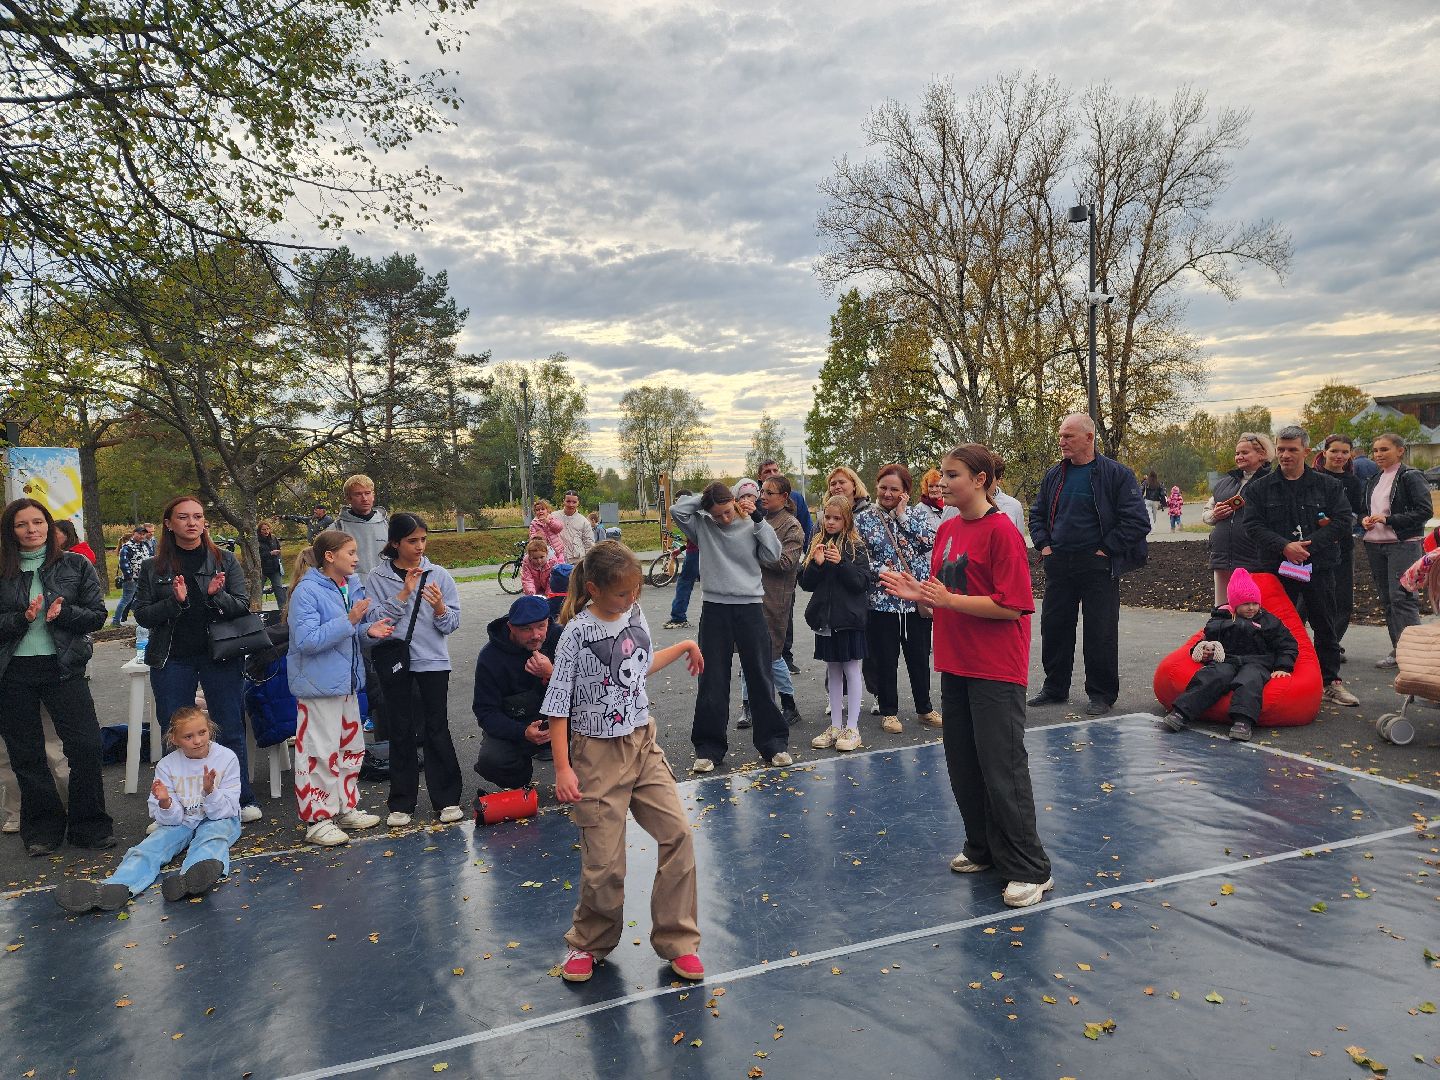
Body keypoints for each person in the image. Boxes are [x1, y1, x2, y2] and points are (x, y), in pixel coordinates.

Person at [879, 444, 1053, 909]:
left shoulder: (1003, 533)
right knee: (963, 764)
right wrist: (920, 593)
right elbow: (944, 594)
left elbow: (1011, 605)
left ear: (979, 479)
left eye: (952, 475)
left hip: (995, 668)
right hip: (955, 661)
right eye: (941, 475)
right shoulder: (948, 530)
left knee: (1002, 767)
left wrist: (949, 601)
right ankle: (983, 847)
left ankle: (1030, 868)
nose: (941, 482)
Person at [544, 541, 705, 984]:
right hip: (596, 755)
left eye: (636, 591)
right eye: (622, 593)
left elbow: (636, 665)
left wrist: (685, 644)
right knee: (605, 863)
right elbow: (558, 705)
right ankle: (589, 942)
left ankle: (678, 939)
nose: (632, 599)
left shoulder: (634, 614)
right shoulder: (576, 633)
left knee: (678, 835)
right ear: (593, 589)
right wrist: (563, 768)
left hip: (642, 744)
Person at [135, 495, 263, 823]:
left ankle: (239, 799)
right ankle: (173, 807)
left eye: (198, 516)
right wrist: (175, 603)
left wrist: (215, 596)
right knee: (174, 731)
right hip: (172, 658)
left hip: (219, 656)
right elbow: (143, 615)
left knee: (229, 726)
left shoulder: (224, 560)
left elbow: (242, 605)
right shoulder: (153, 567)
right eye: (183, 517)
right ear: (168, 523)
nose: (192, 523)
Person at [0, 498, 113, 857]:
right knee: (27, 755)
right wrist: (23, 618)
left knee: (86, 746)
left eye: (38, 522)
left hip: (63, 667)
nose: (32, 530)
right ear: (10, 530)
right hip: (13, 671)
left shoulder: (76, 564)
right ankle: (43, 830)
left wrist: (61, 614)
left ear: (50, 526)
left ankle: (90, 827)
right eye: (22, 524)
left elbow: (97, 616)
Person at [54, 706, 241, 913]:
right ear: (175, 739)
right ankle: (116, 886)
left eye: (202, 733)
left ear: (210, 730)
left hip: (219, 817)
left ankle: (193, 877)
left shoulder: (226, 758)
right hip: (182, 819)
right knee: (150, 846)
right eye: (188, 736)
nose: (197, 741)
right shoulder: (167, 765)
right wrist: (166, 803)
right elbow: (171, 820)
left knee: (212, 838)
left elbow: (227, 810)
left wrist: (210, 792)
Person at [1027, 413, 1150, 715]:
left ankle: (1101, 694)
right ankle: (1055, 688)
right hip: (1058, 564)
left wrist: (1106, 549)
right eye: (1060, 435)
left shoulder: (1117, 474)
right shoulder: (1055, 474)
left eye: (1068, 436)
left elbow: (1137, 521)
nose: (1061, 441)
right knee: (1054, 628)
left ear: (1089, 437)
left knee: (1100, 631)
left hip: (1097, 566)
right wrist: (1043, 545)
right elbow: (1037, 513)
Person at [671, 482, 791, 773]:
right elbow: (677, 510)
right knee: (711, 679)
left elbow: (774, 555)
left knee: (760, 676)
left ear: (735, 503)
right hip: (714, 608)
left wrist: (759, 520)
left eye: (726, 512)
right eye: (717, 514)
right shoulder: (703, 524)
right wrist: (707, 499)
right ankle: (709, 748)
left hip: (750, 607)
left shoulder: (752, 524)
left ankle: (773, 743)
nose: (723, 519)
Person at [288, 529, 394, 845]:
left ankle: (345, 807)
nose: (357, 558)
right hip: (318, 688)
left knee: (350, 749)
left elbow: (350, 633)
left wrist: (367, 631)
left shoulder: (346, 586)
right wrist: (349, 621)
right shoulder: (306, 592)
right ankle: (317, 819)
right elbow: (306, 641)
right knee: (319, 752)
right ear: (330, 557)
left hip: (347, 684)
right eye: (350, 552)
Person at [1241, 425, 1358, 707]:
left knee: (1325, 624)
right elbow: (1252, 525)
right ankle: (1272, 675)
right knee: (1272, 624)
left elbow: (1343, 521)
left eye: (1292, 449)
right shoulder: (1260, 488)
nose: (1285, 455)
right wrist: (1284, 546)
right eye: (1281, 449)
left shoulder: (1328, 486)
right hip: (1276, 567)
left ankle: (1330, 682)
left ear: (1306, 451)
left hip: (1318, 567)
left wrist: (1309, 545)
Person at [364, 513, 463, 826]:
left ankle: (447, 799)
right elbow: (375, 622)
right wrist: (403, 594)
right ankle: (402, 803)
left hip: (433, 662)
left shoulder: (439, 575)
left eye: (423, 539)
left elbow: (451, 624)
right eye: (412, 540)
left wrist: (440, 608)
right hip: (395, 663)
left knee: (437, 728)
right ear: (395, 543)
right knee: (400, 730)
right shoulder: (376, 578)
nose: (420, 546)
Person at [1160, 568, 1298, 742]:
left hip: (1257, 662)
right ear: (1234, 604)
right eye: (1246, 604)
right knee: (1212, 676)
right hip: (1227, 659)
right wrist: (1203, 651)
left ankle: (1243, 721)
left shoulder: (1268, 621)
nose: (1251, 608)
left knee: (1250, 680)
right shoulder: (1220, 620)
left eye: (1255, 603)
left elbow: (1287, 644)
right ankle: (1181, 712)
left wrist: (1283, 666)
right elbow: (1205, 640)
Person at [854, 464, 938, 735]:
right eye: (883, 488)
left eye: (894, 489)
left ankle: (924, 708)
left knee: (918, 657)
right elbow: (861, 556)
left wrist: (902, 517)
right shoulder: (864, 519)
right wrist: (885, 572)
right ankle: (889, 712)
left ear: (905, 493)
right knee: (885, 659)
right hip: (883, 600)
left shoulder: (915, 515)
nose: (887, 493)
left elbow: (929, 542)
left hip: (916, 601)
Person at [803, 496, 875, 753]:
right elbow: (806, 583)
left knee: (852, 670)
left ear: (847, 519)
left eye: (837, 518)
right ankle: (835, 725)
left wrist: (841, 563)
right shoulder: (816, 543)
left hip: (850, 620)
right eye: (827, 517)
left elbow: (861, 583)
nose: (831, 522)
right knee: (833, 670)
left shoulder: (856, 546)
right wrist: (818, 565)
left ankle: (852, 727)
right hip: (826, 619)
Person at [473, 595, 561, 791]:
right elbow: (485, 711)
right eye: (526, 629)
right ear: (511, 627)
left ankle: (581, 778)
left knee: (598, 731)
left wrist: (552, 674)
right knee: (492, 759)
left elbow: (588, 689)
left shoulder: (562, 638)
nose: (536, 635)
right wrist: (522, 732)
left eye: (541, 626)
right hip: (520, 726)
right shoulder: (490, 657)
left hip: (563, 721)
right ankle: (519, 782)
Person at [737, 474, 804, 728]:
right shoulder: (759, 519)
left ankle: (789, 705)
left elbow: (787, 562)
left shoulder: (791, 526)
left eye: (768, 493)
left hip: (775, 598)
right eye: (761, 491)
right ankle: (748, 706)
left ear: (784, 497)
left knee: (772, 655)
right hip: (749, 596)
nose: (761, 497)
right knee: (747, 653)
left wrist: (755, 554)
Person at [1360, 432, 1431, 669]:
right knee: (1388, 600)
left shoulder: (1411, 476)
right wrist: (1365, 521)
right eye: (1376, 450)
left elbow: (1424, 511)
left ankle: (1416, 655)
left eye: (1384, 449)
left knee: (1403, 598)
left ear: (1400, 451)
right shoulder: (1374, 479)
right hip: (1375, 545)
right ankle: (1399, 650)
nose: (1378, 455)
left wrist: (1390, 520)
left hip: (1404, 544)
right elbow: (1364, 510)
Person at [1202, 433, 1274, 607]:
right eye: (1237, 453)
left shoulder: (1272, 483)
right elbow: (1206, 514)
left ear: (1262, 455)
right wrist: (1215, 515)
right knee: (1222, 609)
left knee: (1250, 609)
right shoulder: (1224, 483)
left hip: (1254, 558)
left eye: (1245, 452)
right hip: (1222, 557)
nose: (1239, 457)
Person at [1313, 434, 1365, 650]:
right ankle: (1295, 644)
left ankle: (1330, 644)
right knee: (1307, 599)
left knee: (1342, 599)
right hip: (1312, 547)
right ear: (1324, 452)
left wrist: (1345, 522)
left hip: (1342, 546)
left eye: (1345, 452)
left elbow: (1359, 512)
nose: (1339, 456)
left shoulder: (1353, 482)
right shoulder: (1311, 477)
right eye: (1334, 451)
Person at [336, 474, 388, 577]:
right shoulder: (338, 529)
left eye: (367, 493)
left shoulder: (388, 525)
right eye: (358, 494)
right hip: (352, 588)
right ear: (348, 498)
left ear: (373, 495)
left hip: (385, 587)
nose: (364, 498)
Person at [663, 490, 700, 630]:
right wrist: (681, 549)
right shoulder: (696, 514)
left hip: (695, 555)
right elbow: (693, 539)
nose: (677, 503)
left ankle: (678, 617)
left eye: (678, 500)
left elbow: (695, 539)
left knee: (684, 583)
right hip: (697, 552)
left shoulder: (689, 514)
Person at [112, 524, 149, 625]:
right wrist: (129, 577)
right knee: (126, 599)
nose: (142, 536)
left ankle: (141, 619)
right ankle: (116, 620)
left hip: (142, 578)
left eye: (143, 534)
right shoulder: (127, 547)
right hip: (131, 579)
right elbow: (124, 563)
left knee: (138, 600)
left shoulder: (145, 546)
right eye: (139, 534)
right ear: (134, 534)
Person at [556, 490, 595, 562]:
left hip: (576, 562)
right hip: (556, 561)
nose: (571, 505)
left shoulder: (584, 522)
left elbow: (589, 544)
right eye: (568, 501)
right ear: (563, 501)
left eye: (574, 502)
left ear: (578, 503)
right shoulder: (553, 517)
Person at [991, 459, 1025, 534]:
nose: (982, 481)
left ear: (999, 479)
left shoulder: (1014, 506)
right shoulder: (963, 506)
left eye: (988, 478)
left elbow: (1019, 542)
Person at [257, 520, 286, 608]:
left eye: (267, 529)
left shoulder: (273, 538)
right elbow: (257, 556)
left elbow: (279, 549)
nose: (266, 531)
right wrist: (270, 553)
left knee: (279, 589)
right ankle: (257, 609)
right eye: (263, 529)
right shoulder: (256, 541)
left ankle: (283, 609)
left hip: (274, 568)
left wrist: (278, 559)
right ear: (259, 530)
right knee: (258, 590)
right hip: (262, 569)